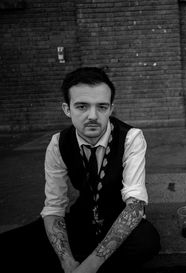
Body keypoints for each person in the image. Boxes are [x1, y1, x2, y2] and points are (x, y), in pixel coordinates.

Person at [0, 67, 160, 272]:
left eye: (101, 107)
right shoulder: (58, 143)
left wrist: (90, 266)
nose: (92, 116)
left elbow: (135, 206)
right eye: (82, 106)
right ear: (67, 109)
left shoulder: (131, 137)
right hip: (81, 218)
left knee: (147, 243)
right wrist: (67, 262)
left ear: (111, 108)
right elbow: (54, 207)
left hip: (118, 216)